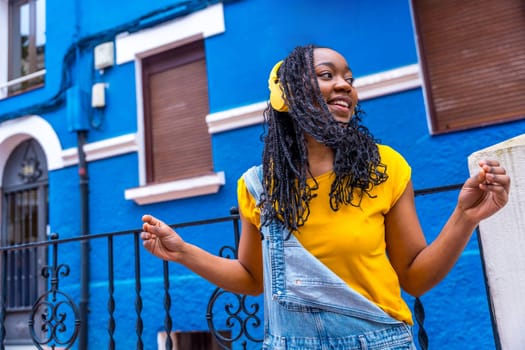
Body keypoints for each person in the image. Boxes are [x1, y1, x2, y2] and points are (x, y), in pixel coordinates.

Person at [140, 45, 510, 349]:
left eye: (350, 79)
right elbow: (253, 279)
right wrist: (183, 251)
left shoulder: (385, 169)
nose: (345, 86)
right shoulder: (258, 186)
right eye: (327, 75)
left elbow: (414, 277)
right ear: (290, 95)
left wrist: (465, 217)